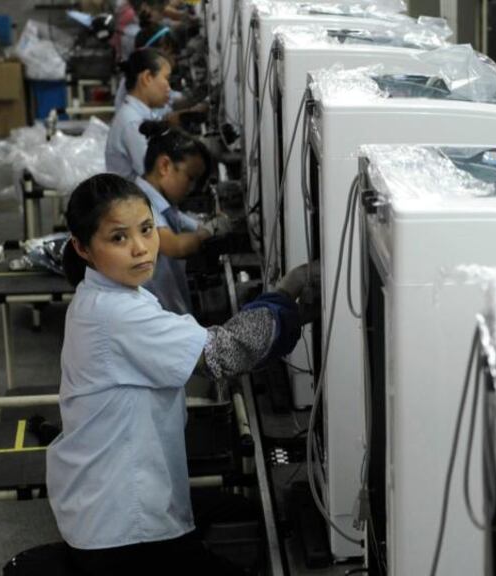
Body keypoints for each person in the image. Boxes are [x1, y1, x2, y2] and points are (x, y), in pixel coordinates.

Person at [47, 173, 311, 576]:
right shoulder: (116, 313)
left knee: (242, 511)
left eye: (147, 230)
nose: (140, 248)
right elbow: (222, 354)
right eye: (118, 238)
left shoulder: (111, 296)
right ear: (83, 248)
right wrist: (288, 297)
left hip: (101, 501)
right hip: (123, 531)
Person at [136, 119, 228, 315]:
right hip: (153, 320)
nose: (192, 188)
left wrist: (214, 224)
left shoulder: (165, 206)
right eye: (190, 178)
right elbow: (175, 246)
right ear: (165, 166)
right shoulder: (139, 203)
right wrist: (209, 231)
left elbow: (194, 225)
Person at [105, 48, 171, 180]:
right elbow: (156, 175)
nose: (169, 88)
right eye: (166, 78)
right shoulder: (132, 123)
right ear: (147, 78)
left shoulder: (138, 114)